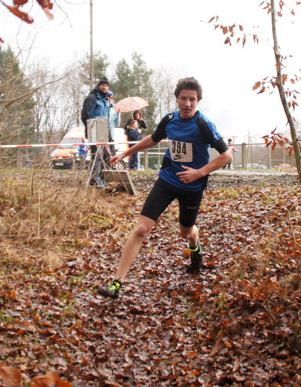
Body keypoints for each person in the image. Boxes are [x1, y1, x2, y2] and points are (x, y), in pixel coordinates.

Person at [96, 77, 233, 299]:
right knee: (141, 229)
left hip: (192, 186)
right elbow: (153, 138)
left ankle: (195, 245)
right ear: (177, 99)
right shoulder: (170, 120)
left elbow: (226, 156)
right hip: (167, 180)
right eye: (183, 98)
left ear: (198, 101)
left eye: (192, 99)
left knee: (185, 232)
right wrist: (126, 152)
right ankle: (116, 284)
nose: (187, 103)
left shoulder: (204, 124)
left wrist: (198, 173)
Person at [81, 77, 112, 186]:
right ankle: (95, 179)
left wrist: (108, 131)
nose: (105, 87)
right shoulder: (92, 98)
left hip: (105, 131)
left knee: (106, 156)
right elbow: (85, 115)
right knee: (97, 156)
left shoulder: (106, 100)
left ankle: (104, 178)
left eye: (107, 86)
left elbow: (107, 117)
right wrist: (90, 129)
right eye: (103, 85)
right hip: (94, 131)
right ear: (99, 86)